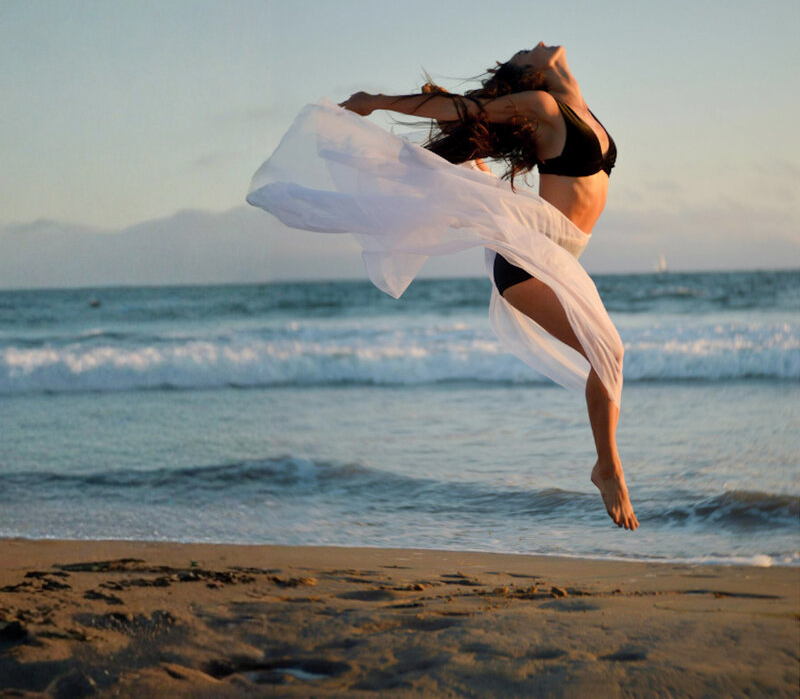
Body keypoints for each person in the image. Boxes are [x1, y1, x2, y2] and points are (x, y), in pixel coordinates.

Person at [248, 43, 638, 530]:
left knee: (608, 355)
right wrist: (378, 100)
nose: (533, 43)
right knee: (609, 353)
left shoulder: (580, 108)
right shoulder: (543, 107)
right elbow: (463, 109)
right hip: (528, 262)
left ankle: (607, 464)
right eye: (525, 51)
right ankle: (608, 466)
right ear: (530, 74)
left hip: (555, 256)